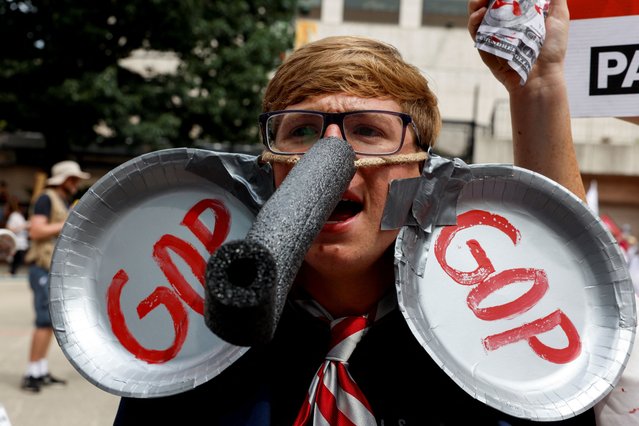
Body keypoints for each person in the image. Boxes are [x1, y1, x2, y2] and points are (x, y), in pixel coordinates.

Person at [113, 0, 599, 424]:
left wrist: (538, 87)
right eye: (299, 131)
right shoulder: (200, 343)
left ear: (419, 169)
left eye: (368, 130)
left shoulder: (485, 346)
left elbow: (581, 307)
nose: (329, 159)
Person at [21, 160, 91, 393]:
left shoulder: (60, 200)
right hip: (41, 267)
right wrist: (67, 223)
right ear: (66, 180)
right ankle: (31, 373)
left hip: (52, 268)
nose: (77, 183)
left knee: (49, 322)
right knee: (43, 321)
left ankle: (40, 370)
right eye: (74, 179)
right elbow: (36, 230)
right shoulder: (46, 198)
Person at [5, 196, 30, 275]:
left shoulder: (19, 216)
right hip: (17, 242)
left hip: (22, 241)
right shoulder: (14, 216)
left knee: (19, 259)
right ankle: (11, 272)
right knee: (17, 259)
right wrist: (24, 226)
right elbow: (10, 229)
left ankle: (12, 272)